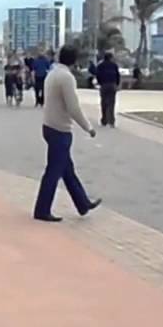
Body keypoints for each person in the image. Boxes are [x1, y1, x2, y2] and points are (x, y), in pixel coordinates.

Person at [33, 44, 101, 222]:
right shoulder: (66, 77)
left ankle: (82, 203)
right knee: (54, 171)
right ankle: (42, 209)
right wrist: (88, 127)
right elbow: (73, 107)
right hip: (60, 129)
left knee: (67, 170)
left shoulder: (52, 73)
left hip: (49, 125)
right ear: (75, 60)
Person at [95, 51, 122, 127]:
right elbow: (117, 76)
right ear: (110, 58)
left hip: (104, 85)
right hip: (112, 85)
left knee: (104, 103)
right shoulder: (114, 65)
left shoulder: (100, 65)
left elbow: (98, 75)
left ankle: (104, 120)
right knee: (111, 103)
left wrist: (100, 83)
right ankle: (111, 121)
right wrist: (117, 84)